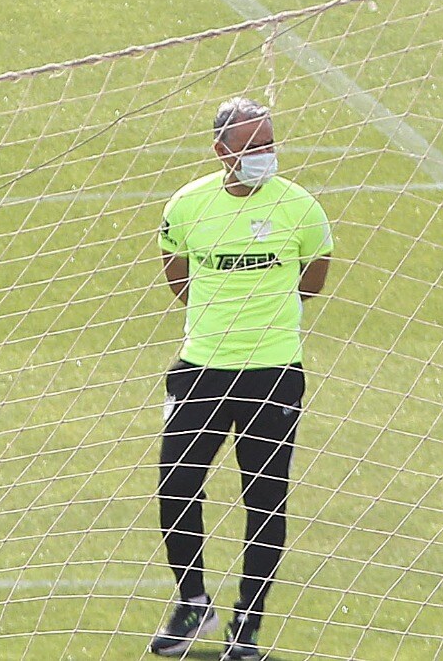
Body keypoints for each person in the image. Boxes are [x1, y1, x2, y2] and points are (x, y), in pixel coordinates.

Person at [148, 98, 332, 659]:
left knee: (265, 500)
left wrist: (262, 315)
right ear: (221, 151)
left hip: (273, 374)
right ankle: (192, 603)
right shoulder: (187, 205)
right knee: (176, 488)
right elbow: (177, 276)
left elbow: (314, 276)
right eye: (252, 147)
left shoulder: (300, 207)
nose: (263, 156)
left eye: (269, 144)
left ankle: (246, 627)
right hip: (200, 369)